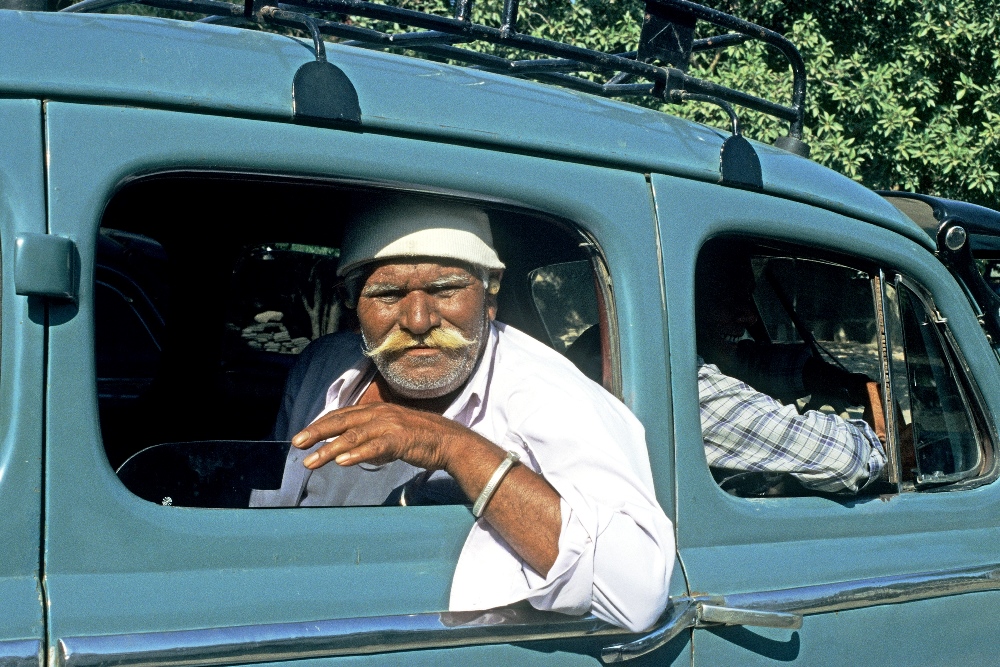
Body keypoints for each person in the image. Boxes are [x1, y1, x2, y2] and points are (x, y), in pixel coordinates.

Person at [252, 198, 674, 632]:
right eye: (388, 294)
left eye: (444, 290)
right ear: (351, 303)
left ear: (491, 296)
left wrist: (452, 446)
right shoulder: (324, 368)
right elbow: (264, 516)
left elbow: (637, 596)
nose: (418, 320)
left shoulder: (550, 397)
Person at [695, 240, 887, 494]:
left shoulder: (696, 359)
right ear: (688, 301)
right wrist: (880, 438)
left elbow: (751, 361)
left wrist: (846, 384)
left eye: (748, 297)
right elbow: (845, 460)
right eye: (729, 299)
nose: (750, 316)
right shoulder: (694, 390)